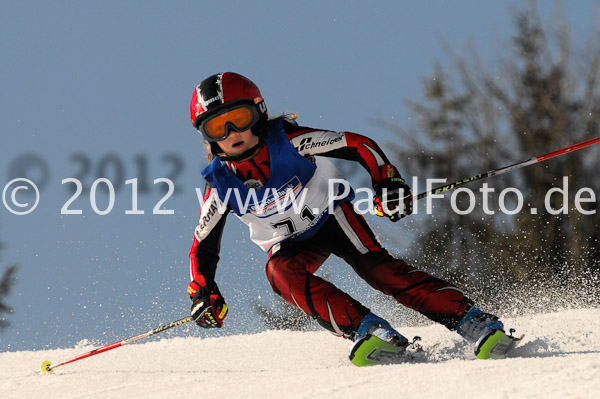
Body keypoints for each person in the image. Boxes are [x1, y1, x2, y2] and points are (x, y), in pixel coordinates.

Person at [186, 72, 508, 361]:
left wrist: (387, 181)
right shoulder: (221, 186)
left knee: (377, 270)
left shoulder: (289, 142)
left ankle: (472, 319)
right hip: (289, 244)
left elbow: (358, 145)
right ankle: (369, 330)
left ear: (259, 113)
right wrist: (203, 291)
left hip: (331, 217)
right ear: (208, 137)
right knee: (278, 274)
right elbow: (202, 247)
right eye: (217, 127)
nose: (231, 132)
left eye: (239, 118)